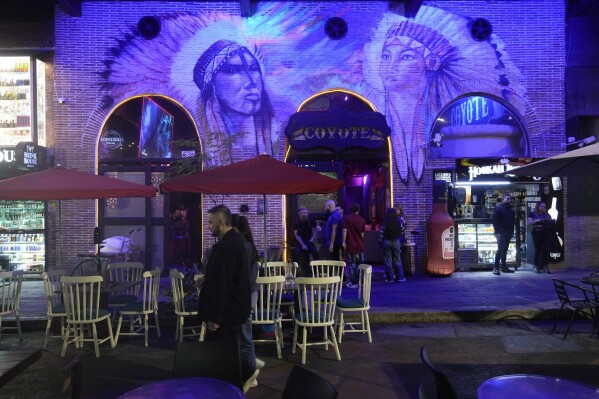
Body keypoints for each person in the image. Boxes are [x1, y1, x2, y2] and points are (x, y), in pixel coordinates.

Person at [197, 205, 257, 392]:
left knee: (223, 363)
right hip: (230, 313)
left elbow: (224, 284)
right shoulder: (232, 242)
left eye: (210, 222)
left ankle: (231, 387)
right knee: (224, 360)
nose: (208, 227)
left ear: (221, 222)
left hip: (227, 316)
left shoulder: (228, 245)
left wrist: (216, 317)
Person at [193, 39, 276, 166]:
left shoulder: (278, 137)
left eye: (254, 68)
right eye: (232, 70)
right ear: (212, 84)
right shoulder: (201, 144)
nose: (251, 81)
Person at [231, 214, 265, 388]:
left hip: (244, 295)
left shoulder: (242, 246)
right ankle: (249, 368)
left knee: (244, 336)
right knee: (244, 335)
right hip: (251, 294)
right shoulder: (249, 245)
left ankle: (250, 373)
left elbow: (240, 275)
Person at [379, 208, 406, 283]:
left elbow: (381, 234)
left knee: (388, 260)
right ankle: (400, 277)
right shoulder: (398, 222)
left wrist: (380, 243)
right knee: (397, 259)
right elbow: (402, 230)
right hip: (396, 241)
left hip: (386, 241)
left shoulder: (385, 222)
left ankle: (390, 278)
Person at [342, 203, 366, 288]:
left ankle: (354, 283)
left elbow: (345, 231)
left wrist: (344, 241)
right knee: (360, 265)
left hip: (350, 245)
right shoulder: (362, 220)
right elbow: (362, 233)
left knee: (352, 265)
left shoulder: (347, 219)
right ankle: (361, 281)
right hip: (360, 245)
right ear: (358, 210)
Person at [492, 194, 516, 275]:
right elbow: (495, 221)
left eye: (510, 199)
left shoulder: (511, 209)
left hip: (508, 232)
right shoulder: (499, 208)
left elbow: (513, 221)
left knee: (505, 250)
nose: (509, 200)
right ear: (503, 199)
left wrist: (512, 231)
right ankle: (496, 267)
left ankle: (504, 267)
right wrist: (497, 232)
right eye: (508, 198)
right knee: (500, 250)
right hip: (501, 232)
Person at [293, 207, 320, 277]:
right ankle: (296, 273)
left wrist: (312, 239)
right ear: (300, 214)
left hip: (309, 240)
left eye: (307, 213)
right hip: (300, 241)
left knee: (316, 255)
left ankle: (317, 272)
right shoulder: (296, 222)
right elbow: (296, 235)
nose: (306, 214)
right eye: (304, 213)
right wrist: (303, 245)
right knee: (297, 254)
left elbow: (318, 229)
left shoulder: (310, 219)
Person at [527, 201, 553, 274]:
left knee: (545, 249)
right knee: (538, 249)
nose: (543, 208)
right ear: (538, 206)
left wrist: (551, 221)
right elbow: (529, 222)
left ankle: (545, 266)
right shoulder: (532, 214)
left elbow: (550, 222)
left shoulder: (547, 214)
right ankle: (535, 266)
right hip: (536, 233)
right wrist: (538, 220)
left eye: (544, 207)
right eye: (542, 206)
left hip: (545, 233)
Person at [186, 200, 202, 268]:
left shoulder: (190, 211)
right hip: (199, 230)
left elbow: (187, 221)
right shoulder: (200, 211)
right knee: (198, 247)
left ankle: (193, 262)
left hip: (192, 230)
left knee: (193, 246)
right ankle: (198, 262)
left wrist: (187, 231)